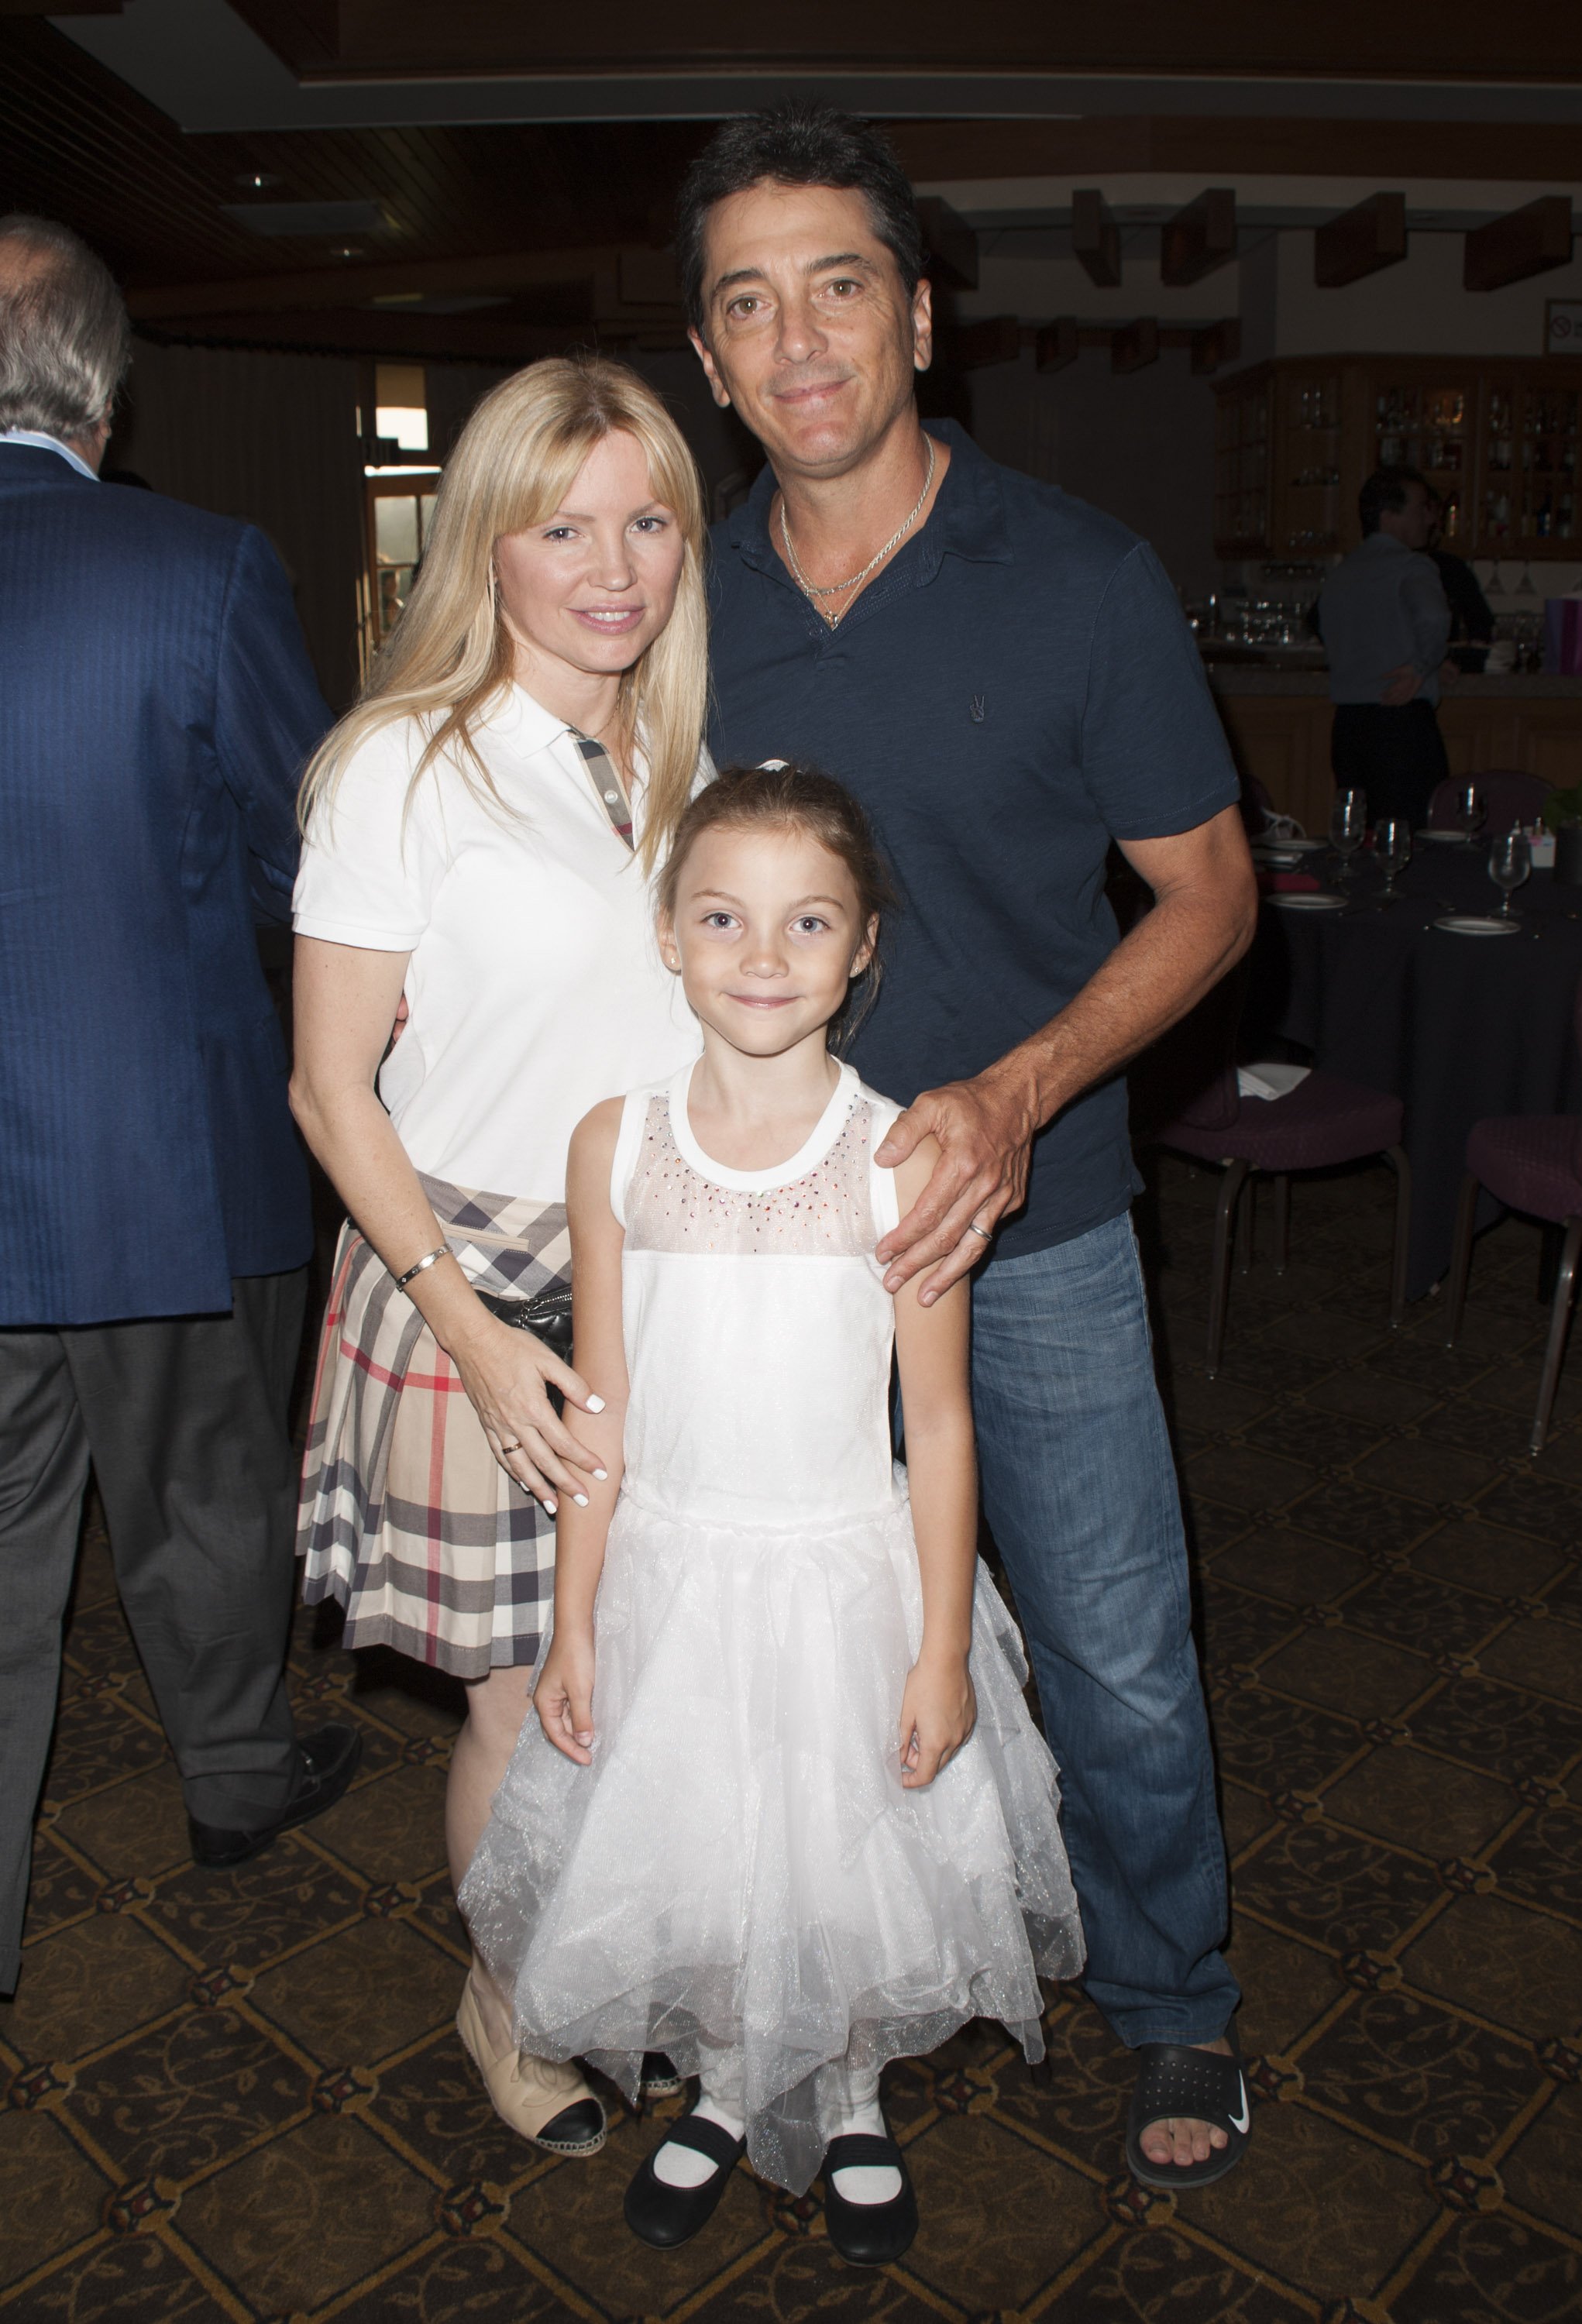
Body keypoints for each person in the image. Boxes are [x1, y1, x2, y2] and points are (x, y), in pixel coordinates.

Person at [679, 105, 1261, 2191]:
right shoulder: (677, 598)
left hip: (1030, 1226)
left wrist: (1014, 1097)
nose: (797, 337)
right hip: (745, 1251)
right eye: (746, 302)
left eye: (837, 283)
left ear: (918, 313)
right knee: (754, 1637)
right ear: (709, 355)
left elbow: (1205, 896)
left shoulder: (1078, 579)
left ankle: (1172, 2006)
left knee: (1106, 1635)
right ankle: (790, 1999)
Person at [461, 766, 1084, 2264]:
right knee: (708, 1840)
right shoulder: (616, 1140)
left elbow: (935, 1424)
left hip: (839, 1573)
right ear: (667, 935)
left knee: (842, 1850)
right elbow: (600, 1402)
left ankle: (850, 2085)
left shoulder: (899, 1157)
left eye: (807, 922)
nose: (760, 954)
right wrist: (575, 1619)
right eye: (723, 917)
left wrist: (941, 1645)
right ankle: (738, 2076)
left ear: (863, 946)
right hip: (672, 1569)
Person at [291, 357, 707, 2155]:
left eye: (646, 521)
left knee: (656, 1685)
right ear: (488, 544)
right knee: (524, 1707)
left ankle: (614, 1969)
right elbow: (324, 1086)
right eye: (561, 526)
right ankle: (515, 1996)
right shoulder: (406, 763)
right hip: (467, 1285)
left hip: (660, 1283)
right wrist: (467, 1331)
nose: (611, 567)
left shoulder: (684, 762)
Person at [0, 214, 359, 1999]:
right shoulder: (200, 569)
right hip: (164, 1158)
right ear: (103, 385)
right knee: (210, 1493)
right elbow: (323, 856)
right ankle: (231, 1782)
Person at [1315, 465, 1453, 827]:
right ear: (1389, 516)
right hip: (1401, 723)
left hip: (1348, 726)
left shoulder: (1339, 575)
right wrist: (1423, 666)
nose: (1431, 519)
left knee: (1360, 835)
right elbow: (1435, 619)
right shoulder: (1412, 566)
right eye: (1421, 508)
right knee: (1413, 835)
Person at [1426, 491, 1495, 674]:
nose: (1437, 525)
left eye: (1440, 519)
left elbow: (1481, 623)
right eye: (1429, 516)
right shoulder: (1388, 569)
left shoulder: (1452, 567)